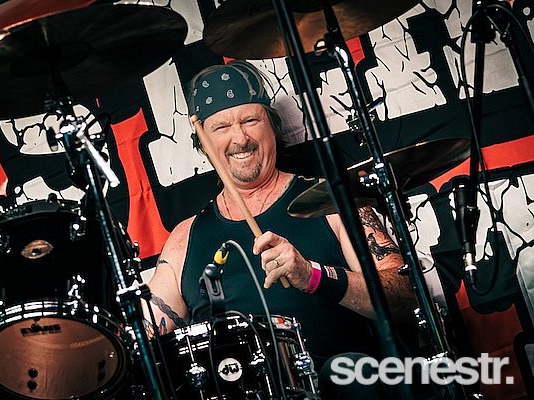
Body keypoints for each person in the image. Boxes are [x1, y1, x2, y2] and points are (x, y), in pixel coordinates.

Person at [145, 61, 415, 399]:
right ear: (202, 142)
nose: (240, 138)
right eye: (221, 127)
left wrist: (312, 276)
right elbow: (145, 330)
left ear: (273, 127)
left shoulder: (333, 201)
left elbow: (405, 296)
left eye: (250, 120)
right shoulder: (184, 238)